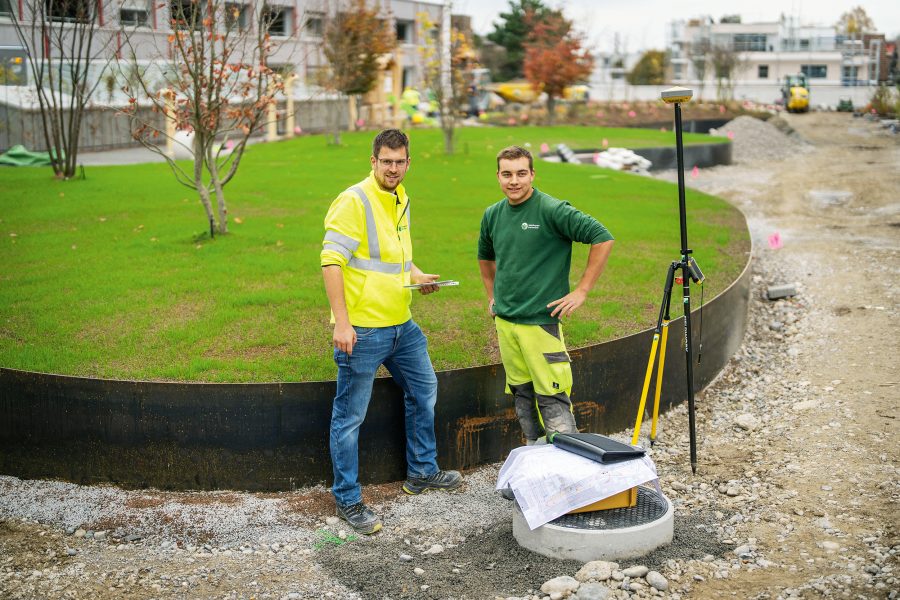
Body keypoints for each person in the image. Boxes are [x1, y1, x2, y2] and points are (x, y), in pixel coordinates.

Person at [321, 129, 462, 535]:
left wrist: (417, 276)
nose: (393, 169)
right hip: (363, 330)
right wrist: (343, 323)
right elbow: (332, 262)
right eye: (386, 161)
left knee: (424, 390)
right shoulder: (354, 200)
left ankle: (421, 472)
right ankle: (347, 500)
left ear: (408, 162)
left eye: (400, 162)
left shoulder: (401, 197)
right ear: (373, 161)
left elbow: (393, 259)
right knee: (349, 418)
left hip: (402, 325)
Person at [478, 145, 614, 445]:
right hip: (507, 325)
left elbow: (601, 237)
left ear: (532, 174)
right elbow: (485, 258)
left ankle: (567, 472)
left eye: (521, 174)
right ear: (498, 176)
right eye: (507, 174)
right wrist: (492, 298)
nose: (514, 181)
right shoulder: (493, 215)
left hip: (541, 324)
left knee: (552, 399)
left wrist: (582, 290)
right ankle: (535, 466)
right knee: (523, 397)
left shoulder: (551, 210)